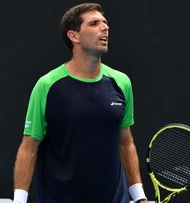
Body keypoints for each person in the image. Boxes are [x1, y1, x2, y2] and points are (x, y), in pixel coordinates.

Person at [13, 3, 148, 203]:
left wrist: (139, 197)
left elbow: (125, 143)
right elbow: (29, 147)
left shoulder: (121, 82)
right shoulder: (47, 86)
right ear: (74, 36)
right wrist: (19, 201)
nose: (105, 27)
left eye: (105, 23)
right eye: (94, 23)